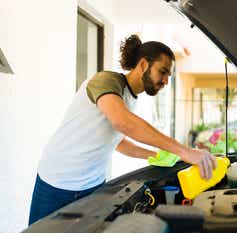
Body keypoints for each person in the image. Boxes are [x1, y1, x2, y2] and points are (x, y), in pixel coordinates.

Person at [28, 34, 217, 225]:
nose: (166, 81)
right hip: (57, 182)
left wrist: (156, 155)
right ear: (143, 65)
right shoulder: (106, 80)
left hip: (94, 185)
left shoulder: (130, 98)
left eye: (169, 75)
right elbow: (123, 122)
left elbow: (118, 142)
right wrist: (185, 151)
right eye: (163, 71)